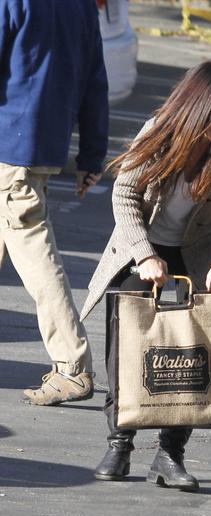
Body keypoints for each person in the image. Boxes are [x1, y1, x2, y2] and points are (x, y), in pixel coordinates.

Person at [80, 59, 211, 491]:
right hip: (140, 247)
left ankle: (169, 454)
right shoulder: (161, 132)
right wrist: (144, 255)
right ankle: (119, 442)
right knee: (127, 347)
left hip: (199, 255)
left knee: (192, 353)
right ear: (195, 106)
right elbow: (124, 194)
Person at [0, 0, 109, 405]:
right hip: (42, 147)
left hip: (9, 149)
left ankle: (72, 366)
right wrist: (91, 157)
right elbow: (95, 80)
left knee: (36, 257)